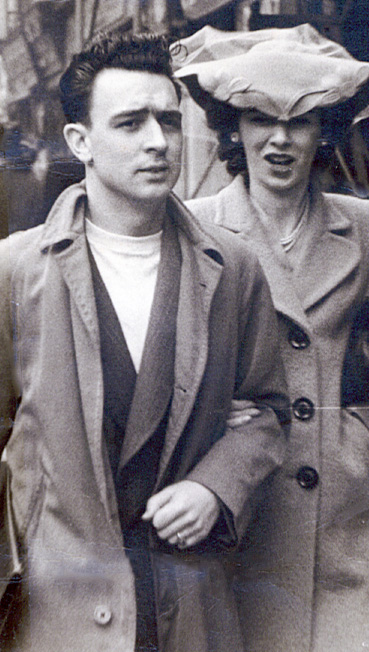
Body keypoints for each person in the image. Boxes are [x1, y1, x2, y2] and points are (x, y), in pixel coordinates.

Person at [0, 33, 290, 652]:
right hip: (59, 610)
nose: (158, 142)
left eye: (169, 121)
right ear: (80, 143)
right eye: (130, 123)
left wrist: (215, 485)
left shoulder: (232, 267)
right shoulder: (17, 272)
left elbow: (266, 412)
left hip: (188, 602)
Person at [177, 24, 369, 652]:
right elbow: (170, 358)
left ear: (326, 131)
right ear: (233, 128)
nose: (280, 139)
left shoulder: (364, 226)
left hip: (349, 522)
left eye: (303, 121)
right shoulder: (195, 227)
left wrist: (364, 442)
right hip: (239, 517)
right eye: (260, 118)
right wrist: (212, 419)